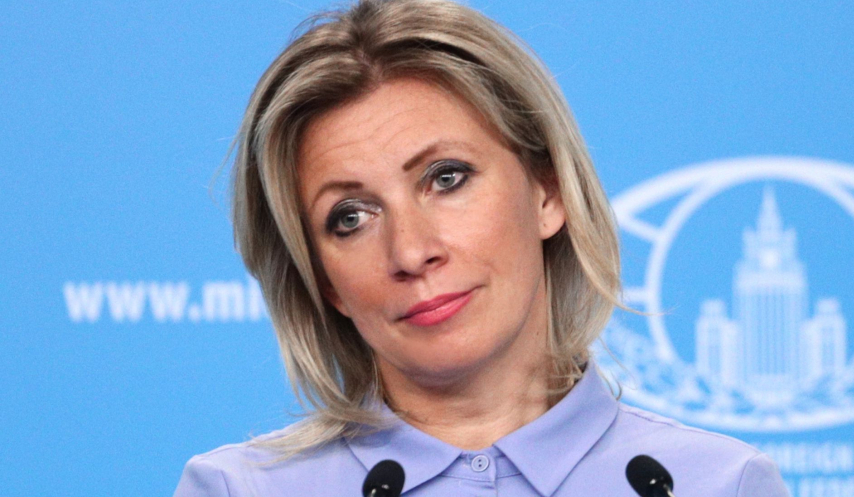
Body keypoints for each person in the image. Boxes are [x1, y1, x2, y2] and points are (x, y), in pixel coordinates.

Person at [174, 0, 790, 495]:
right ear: (323, 280)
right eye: (350, 217)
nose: (410, 252)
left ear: (548, 190)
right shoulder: (238, 490)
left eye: (446, 178)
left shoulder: (714, 484)